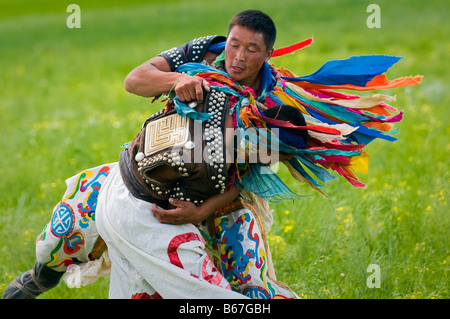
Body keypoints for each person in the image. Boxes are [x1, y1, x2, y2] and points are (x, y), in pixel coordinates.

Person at [3, 9, 422, 299]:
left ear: (268, 54)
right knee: (66, 228)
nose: (237, 57)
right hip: (143, 174)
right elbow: (135, 80)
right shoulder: (205, 52)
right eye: (235, 44)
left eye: (251, 49)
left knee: (248, 285)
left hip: (219, 202)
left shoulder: (273, 106)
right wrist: (174, 81)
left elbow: (248, 179)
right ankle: (40, 278)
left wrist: (201, 214)